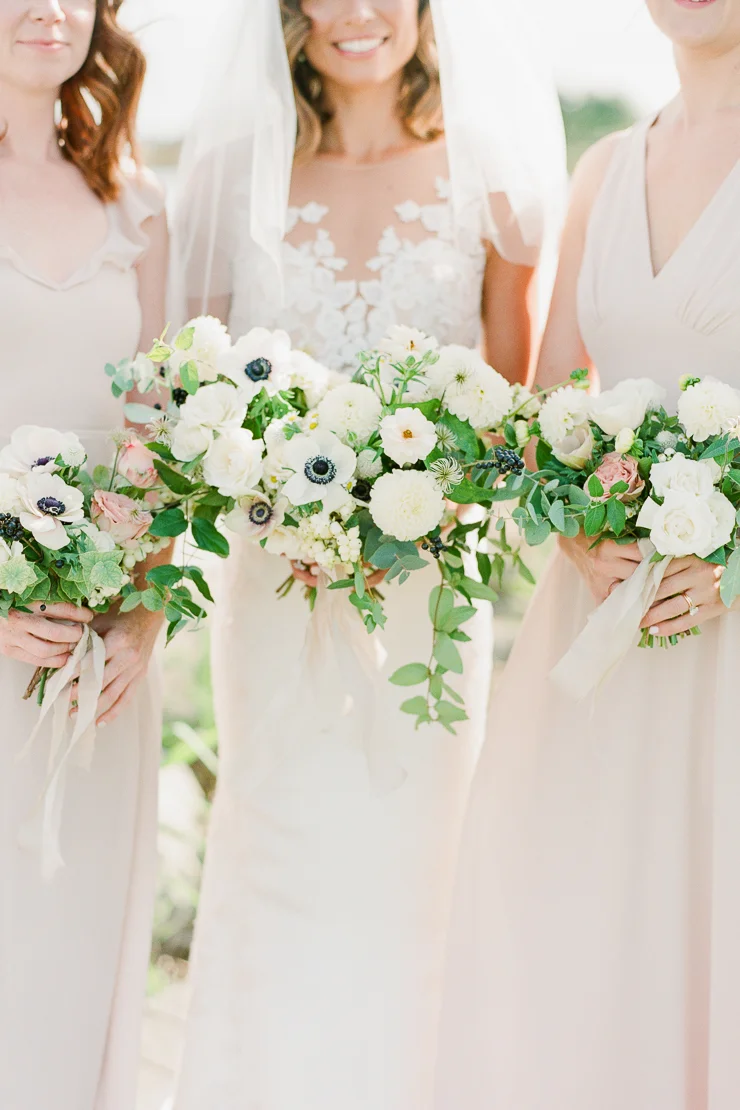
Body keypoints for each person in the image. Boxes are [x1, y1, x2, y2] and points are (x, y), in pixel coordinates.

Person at [172, 2, 564, 1107]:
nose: (356, 15)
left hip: (422, 598)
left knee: (418, 861)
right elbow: (194, 390)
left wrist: (425, 505)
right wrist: (273, 502)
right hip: (275, 590)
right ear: (290, 18)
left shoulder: (485, 180)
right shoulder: (224, 182)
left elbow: (510, 405)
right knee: (278, 844)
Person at [435, 2, 740, 1108]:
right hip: (600, 632)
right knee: (585, 927)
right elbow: (548, 393)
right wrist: (572, 528)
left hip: (728, 632)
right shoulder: (605, 168)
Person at [0, 3, 168, 1108]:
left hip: (97, 659)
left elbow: (161, 435)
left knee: (70, 942)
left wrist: (143, 616)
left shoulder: (139, 207)